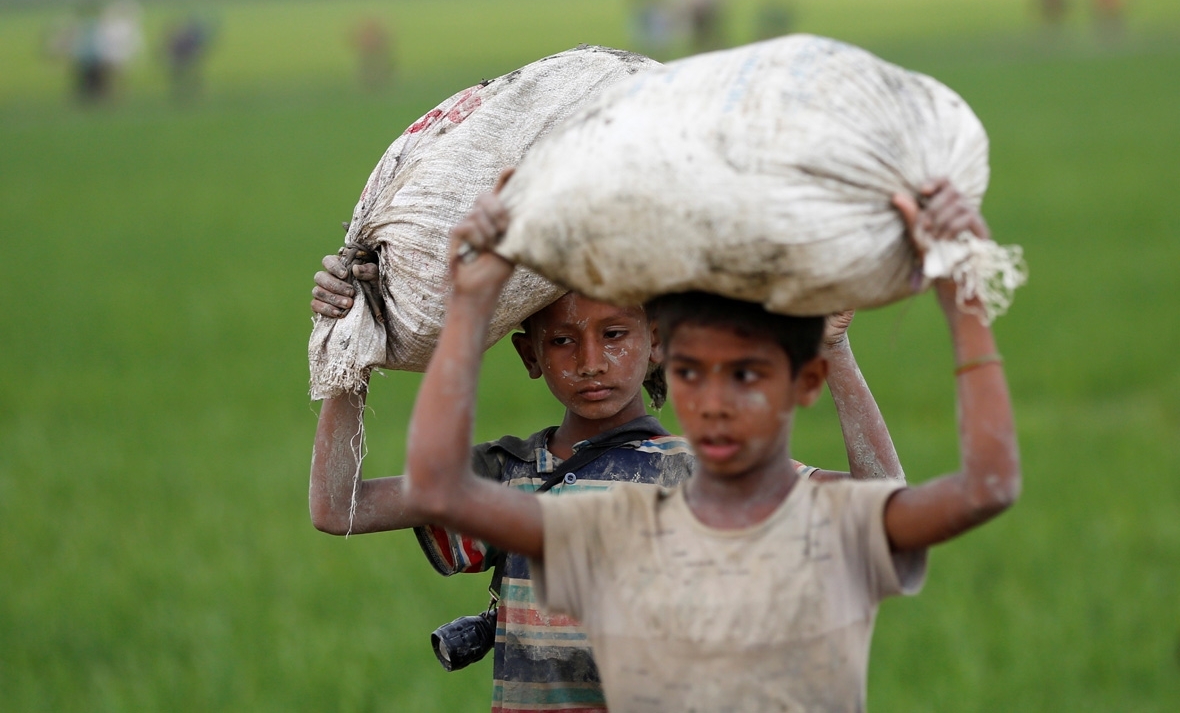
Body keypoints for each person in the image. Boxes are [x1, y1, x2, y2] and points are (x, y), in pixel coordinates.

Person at [401, 177, 1020, 711]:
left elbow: (892, 508)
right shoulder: (522, 484)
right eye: (564, 340)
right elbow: (351, 504)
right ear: (530, 352)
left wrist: (838, 343)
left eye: (616, 333)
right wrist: (353, 353)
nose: (591, 362)